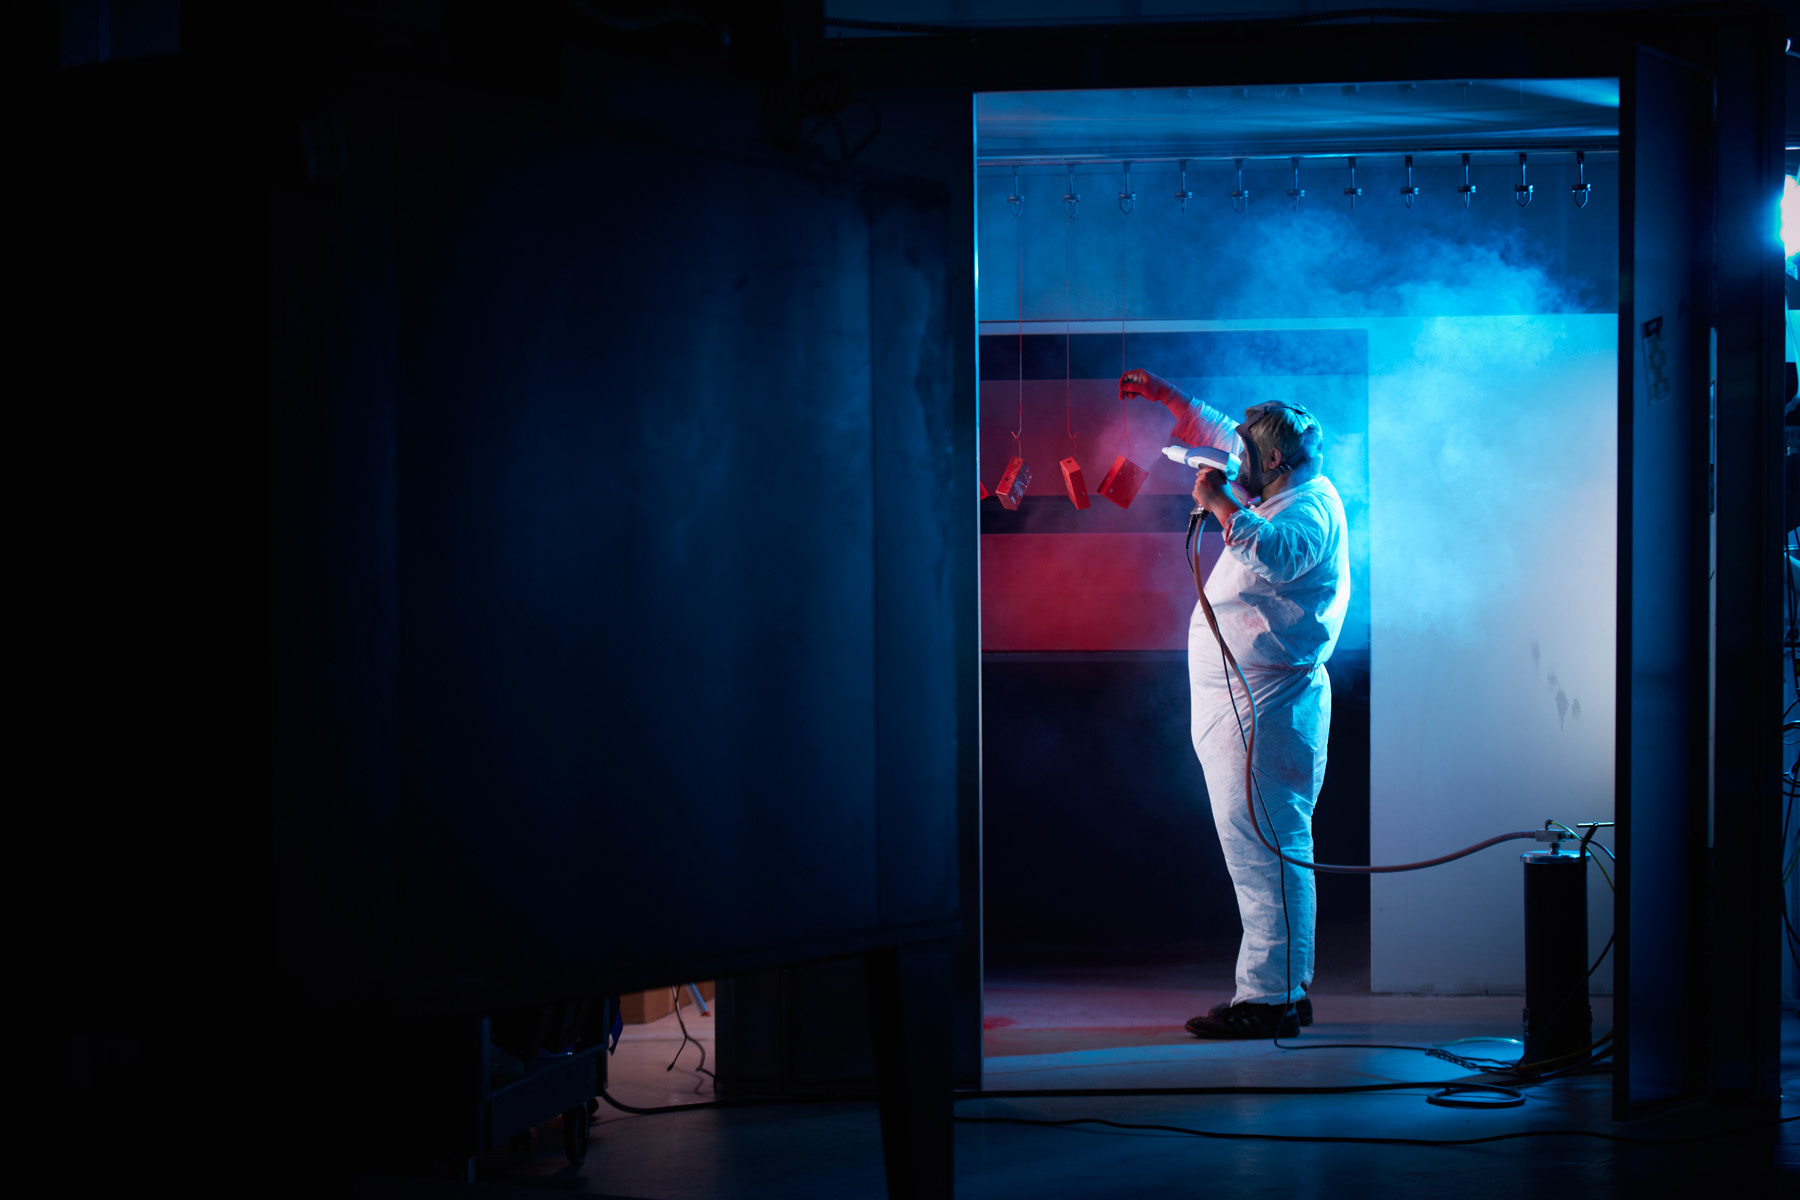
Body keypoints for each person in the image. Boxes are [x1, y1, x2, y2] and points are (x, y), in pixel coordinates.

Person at [1118, 367, 1350, 1039]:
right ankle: (1278, 988)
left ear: (1273, 460)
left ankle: (1271, 997)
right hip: (1247, 701)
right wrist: (1172, 400)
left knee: (1265, 848)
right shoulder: (1283, 481)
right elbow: (1228, 438)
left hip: (1270, 703)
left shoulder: (1309, 506)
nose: (1231, 454)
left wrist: (1221, 503)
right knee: (1257, 845)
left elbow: (1276, 556)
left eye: (1246, 450)